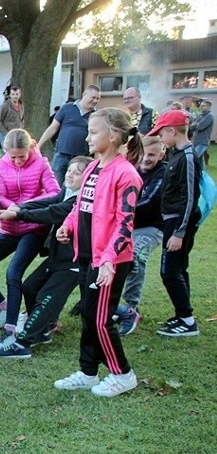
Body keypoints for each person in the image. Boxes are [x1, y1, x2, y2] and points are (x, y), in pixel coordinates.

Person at [53, 107, 143, 397]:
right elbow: (81, 205)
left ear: (114, 137)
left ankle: (123, 374)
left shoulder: (126, 174)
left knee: (101, 319)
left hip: (110, 261)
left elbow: (124, 223)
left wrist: (107, 261)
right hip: (88, 255)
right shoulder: (93, 167)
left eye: (93, 132)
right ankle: (88, 371)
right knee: (89, 316)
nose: (87, 137)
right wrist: (68, 225)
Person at [0, 156, 91, 359]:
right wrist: (21, 207)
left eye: (77, 172)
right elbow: (50, 201)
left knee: (47, 297)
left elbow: (53, 212)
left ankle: (23, 342)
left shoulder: (81, 200)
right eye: (70, 170)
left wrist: (19, 215)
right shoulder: (68, 192)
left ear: (88, 178)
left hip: (73, 261)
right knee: (30, 287)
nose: (70, 174)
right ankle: (44, 328)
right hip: (57, 256)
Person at [0, 129, 60, 346]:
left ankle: (10, 329)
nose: (17, 161)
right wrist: (10, 207)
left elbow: (55, 193)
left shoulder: (41, 164)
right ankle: (2, 306)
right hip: (8, 228)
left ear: (30, 149)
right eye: (12, 156)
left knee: (13, 272)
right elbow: (1, 194)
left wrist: (23, 207)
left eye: (22, 156)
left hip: (33, 227)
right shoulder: (2, 164)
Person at [147, 109, 202, 337]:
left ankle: (188, 322)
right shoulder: (175, 154)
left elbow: (190, 197)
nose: (160, 138)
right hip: (171, 221)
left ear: (172, 130)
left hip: (178, 224)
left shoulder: (188, 157)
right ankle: (183, 314)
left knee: (169, 272)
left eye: (162, 133)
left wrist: (179, 232)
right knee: (179, 269)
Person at [116, 136, 166, 335]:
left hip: (151, 227)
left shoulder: (163, 174)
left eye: (152, 155)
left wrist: (119, 211)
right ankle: (103, 303)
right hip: (126, 224)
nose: (146, 158)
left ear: (161, 154)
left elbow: (150, 202)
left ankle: (131, 307)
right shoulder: (131, 169)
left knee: (136, 256)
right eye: (144, 154)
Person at [37, 85, 101, 187]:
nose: (95, 101)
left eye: (97, 98)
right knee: (55, 184)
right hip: (62, 154)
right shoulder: (67, 108)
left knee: (75, 186)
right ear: (84, 95)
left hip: (81, 158)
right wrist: (39, 145)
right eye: (93, 97)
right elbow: (53, 128)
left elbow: (98, 138)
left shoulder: (97, 115)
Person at [0, 85, 25, 150]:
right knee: (7, 153)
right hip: (5, 134)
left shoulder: (21, 105)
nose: (15, 96)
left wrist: (21, 129)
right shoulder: (5, 106)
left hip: (17, 134)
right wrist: (6, 132)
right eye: (13, 94)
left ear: (20, 95)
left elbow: (22, 119)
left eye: (17, 94)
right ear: (10, 95)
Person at [191, 99, 213, 167]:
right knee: (200, 161)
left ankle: (197, 174)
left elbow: (200, 126)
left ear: (208, 107)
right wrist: (196, 124)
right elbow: (191, 126)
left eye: (203, 106)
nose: (201, 107)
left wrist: (196, 124)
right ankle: (202, 175)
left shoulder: (209, 116)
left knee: (194, 158)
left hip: (203, 141)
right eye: (200, 106)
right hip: (196, 141)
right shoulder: (200, 115)